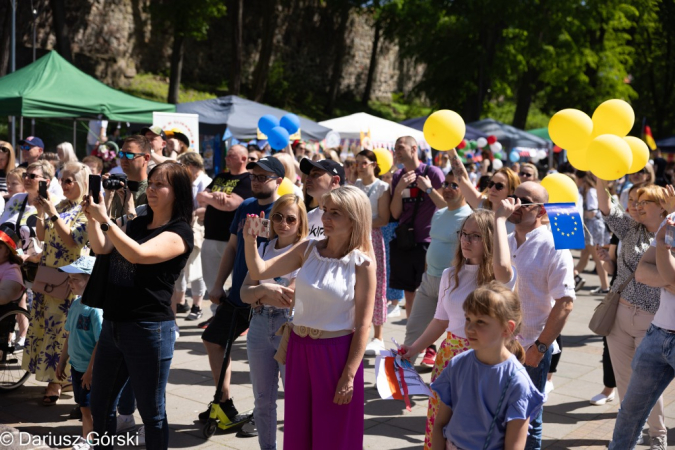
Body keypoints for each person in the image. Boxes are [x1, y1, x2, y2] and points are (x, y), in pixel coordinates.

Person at [243, 185, 376, 449]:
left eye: (335, 213)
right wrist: (250, 240)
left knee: (333, 434)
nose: (325, 218)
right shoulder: (308, 249)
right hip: (298, 349)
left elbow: (363, 325)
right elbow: (259, 269)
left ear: (354, 218)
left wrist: (349, 375)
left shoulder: (362, 264)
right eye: (325, 210)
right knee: (298, 431)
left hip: (335, 354)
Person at [85, 162, 194, 450]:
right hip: (113, 325)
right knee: (100, 405)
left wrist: (106, 221)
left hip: (149, 329)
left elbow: (138, 254)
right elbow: (101, 247)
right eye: (152, 183)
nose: (153, 189)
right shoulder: (136, 222)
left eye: (161, 184)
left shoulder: (179, 232)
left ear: (178, 191)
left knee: (152, 414)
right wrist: (93, 216)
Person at [401, 205, 517, 449]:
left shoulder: (497, 278)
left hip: (483, 360)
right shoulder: (449, 274)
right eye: (464, 233)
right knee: (441, 423)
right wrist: (413, 348)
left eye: (475, 236)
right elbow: (441, 320)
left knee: (472, 427)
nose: (466, 240)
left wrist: (499, 220)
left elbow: (504, 272)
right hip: (449, 357)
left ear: (489, 240)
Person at [200, 156, 284, 424]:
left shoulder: (286, 211)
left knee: (269, 364)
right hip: (238, 296)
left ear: (279, 181)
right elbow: (232, 247)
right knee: (213, 340)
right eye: (254, 177)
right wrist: (217, 284)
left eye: (263, 177)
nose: (256, 181)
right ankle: (223, 403)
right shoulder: (246, 206)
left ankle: (266, 416)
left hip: (265, 301)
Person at [430, 282, 545, 450]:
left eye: (481, 322)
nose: (469, 328)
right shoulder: (457, 364)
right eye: (468, 318)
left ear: (507, 328)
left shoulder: (517, 382)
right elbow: (440, 424)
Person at [595, 180, 667, 447]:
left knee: (648, 383)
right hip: (620, 316)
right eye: (635, 201)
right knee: (626, 381)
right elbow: (606, 208)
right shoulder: (630, 229)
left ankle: (658, 435)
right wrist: (601, 179)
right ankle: (631, 436)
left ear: (662, 207)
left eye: (643, 202)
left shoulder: (668, 234)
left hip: (652, 319)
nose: (636, 206)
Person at [505, 181, 575, 450]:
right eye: (515, 197)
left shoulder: (553, 245)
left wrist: (540, 346)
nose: (516, 204)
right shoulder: (507, 241)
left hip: (532, 347)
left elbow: (565, 303)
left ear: (542, 210)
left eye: (525, 201)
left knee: (528, 419)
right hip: (500, 344)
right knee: (501, 412)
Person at [240, 193, 308, 448]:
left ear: (300, 222)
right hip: (258, 325)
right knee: (262, 400)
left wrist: (260, 292)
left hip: (288, 327)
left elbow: (288, 297)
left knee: (295, 399)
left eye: (291, 218)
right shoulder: (264, 248)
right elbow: (243, 293)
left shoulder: (306, 250)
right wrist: (263, 293)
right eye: (277, 216)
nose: (283, 223)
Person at [23, 161, 90, 406]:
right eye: (62, 180)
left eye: (68, 180)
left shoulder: (86, 210)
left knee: (62, 333)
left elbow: (73, 240)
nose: (63, 184)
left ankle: (56, 382)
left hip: (70, 280)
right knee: (46, 328)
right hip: (48, 276)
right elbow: (42, 236)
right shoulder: (60, 205)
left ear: (81, 183)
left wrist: (51, 212)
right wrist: (42, 213)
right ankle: (61, 378)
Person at [402, 172, 472, 367]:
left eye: (454, 185)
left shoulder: (470, 217)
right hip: (430, 280)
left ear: (465, 189)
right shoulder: (439, 213)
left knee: (456, 332)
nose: (448, 188)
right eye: (446, 184)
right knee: (414, 327)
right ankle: (403, 374)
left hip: (454, 282)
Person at [196, 144, 252, 327]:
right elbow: (199, 196)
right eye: (227, 156)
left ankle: (241, 319)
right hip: (211, 236)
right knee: (212, 281)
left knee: (238, 281)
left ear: (243, 159)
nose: (226, 159)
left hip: (233, 239)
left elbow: (231, 205)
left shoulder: (247, 179)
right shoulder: (220, 176)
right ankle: (217, 315)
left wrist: (212, 198)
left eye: (231, 156)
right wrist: (216, 197)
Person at [390, 136, 444, 321]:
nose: (396, 151)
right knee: (409, 292)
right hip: (406, 242)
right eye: (395, 148)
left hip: (429, 241)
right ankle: (411, 337)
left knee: (429, 292)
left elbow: (446, 206)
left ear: (414, 149)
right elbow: (395, 214)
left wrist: (429, 189)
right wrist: (399, 190)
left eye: (400, 147)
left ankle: (428, 342)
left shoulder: (433, 173)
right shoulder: (398, 176)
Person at [55, 256, 100, 450]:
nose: (70, 283)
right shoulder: (75, 304)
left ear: (90, 280)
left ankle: (89, 440)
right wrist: (62, 361)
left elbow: (100, 343)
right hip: (77, 366)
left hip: (90, 370)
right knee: (83, 405)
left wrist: (90, 371)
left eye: (75, 279)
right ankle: (90, 437)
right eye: (69, 279)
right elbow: (70, 334)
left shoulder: (96, 310)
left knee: (88, 407)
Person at [354, 150, 391, 354]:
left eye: (364, 163)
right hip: (356, 237)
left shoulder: (382, 187)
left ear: (374, 164)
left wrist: (361, 222)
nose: (359, 166)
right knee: (355, 283)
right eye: (357, 162)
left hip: (373, 238)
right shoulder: (355, 186)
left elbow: (383, 219)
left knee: (377, 282)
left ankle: (379, 335)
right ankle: (360, 329)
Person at [173, 152, 212, 321]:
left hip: (197, 231)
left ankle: (197, 305)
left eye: (183, 165)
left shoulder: (205, 182)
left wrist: (195, 212)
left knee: (196, 269)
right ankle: (181, 302)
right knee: (180, 269)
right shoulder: (189, 182)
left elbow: (209, 208)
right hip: (183, 228)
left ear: (192, 166)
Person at [448, 148, 520, 234]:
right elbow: (462, 178)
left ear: (512, 191)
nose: (492, 189)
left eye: (499, 186)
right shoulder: (482, 205)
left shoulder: (517, 220)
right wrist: (450, 148)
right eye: (491, 184)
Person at [576, 173, 610, 294]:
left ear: (582, 178)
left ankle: (605, 287)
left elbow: (592, 213)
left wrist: (579, 212)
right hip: (590, 228)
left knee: (597, 257)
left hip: (593, 228)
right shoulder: (585, 190)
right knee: (584, 257)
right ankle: (571, 279)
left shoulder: (590, 191)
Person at [300, 158, 345, 239]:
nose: (307, 179)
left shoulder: (349, 216)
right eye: (308, 175)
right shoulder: (308, 217)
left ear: (335, 181)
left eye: (315, 174)